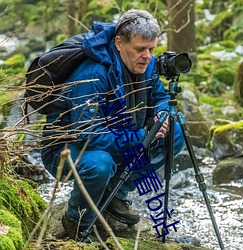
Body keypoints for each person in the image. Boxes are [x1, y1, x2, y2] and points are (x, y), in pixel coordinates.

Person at [41, 9, 185, 241]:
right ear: (119, 43)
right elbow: (87, 135)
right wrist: (142, 135)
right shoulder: (92, 75)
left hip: (120, 135)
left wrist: (161, 114)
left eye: (151, 49)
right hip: (67, 149)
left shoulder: (146, 65)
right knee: (100, 164)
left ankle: (115, 194)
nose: (147, 56)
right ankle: (76, 221)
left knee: (175, 132)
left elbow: (159, 96)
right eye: (140, 49)